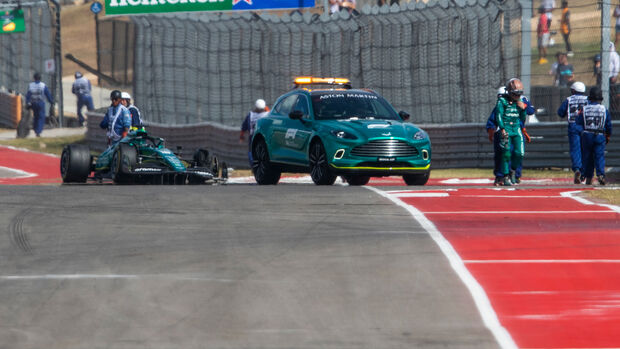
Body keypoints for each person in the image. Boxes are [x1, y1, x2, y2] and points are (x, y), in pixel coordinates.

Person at [486, 86, 534, 185]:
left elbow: (528, 112)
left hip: (515, 132)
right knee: (503, 155)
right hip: (503, 133)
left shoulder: (520, 102)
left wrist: (523, 130)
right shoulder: (501, 105)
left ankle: (514, 174)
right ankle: (502, 176)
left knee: (517, 153)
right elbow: (493, 120)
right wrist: (492, 132)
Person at [495, 78, 528, 186]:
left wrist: (523, 109)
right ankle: (505, 176)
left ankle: (512, 171)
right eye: (515, 93)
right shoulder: (502, 101)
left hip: (516, 128)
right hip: (506, 128)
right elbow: (498, 115)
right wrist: (502, 128)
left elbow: (523, 119)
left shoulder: (520, 102)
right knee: (506, 153)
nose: (517, 96)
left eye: (519, 94)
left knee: (520, 153)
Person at [577, 86, 612, 185]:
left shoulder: (584, 109)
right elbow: (608, 124)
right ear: (600, 99)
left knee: (587, 156)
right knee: (599, 156)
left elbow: (578, 123)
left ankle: (586, 175)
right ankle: (601, 174)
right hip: (600, 135)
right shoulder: (604, 109)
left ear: (590, 98)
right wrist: (608, 134)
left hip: (587, 134)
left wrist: (582, 133)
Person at [557, 81, 587, 183]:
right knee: (585, 150)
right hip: (585, 126)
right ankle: (583, 172)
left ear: (573, 90)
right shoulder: (587, 100)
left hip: (573, 126)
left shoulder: (569, 100)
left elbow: (560, 113)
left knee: (575, 150)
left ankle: (577, 169)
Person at [240, 99, 270, 166]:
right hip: (264, 136)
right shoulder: (267, 115)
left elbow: (244, 126)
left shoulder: (251, 115)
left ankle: (254, 165)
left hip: (253, 136)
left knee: (252, 151)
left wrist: (241, 136)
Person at [25, 72, 54, 137]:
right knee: (41, 117)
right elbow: (47, 94)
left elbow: (28, 95)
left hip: (33, 103)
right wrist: (51, 101)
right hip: (40, 103)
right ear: (40, 78)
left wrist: (27, 102)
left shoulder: (31, 85)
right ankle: (38, 131)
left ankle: (35, 129)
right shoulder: (43, 85)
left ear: (34, 78)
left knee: (35, 116)